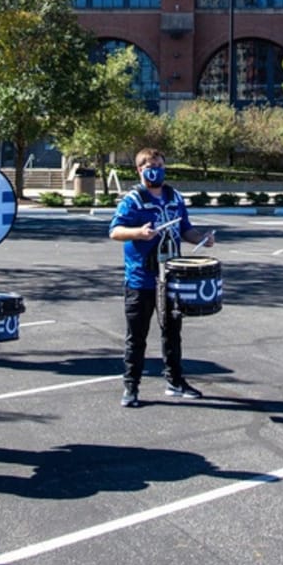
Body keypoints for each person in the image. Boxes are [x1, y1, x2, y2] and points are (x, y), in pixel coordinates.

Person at [109, 147, 215, 408]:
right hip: (140, 278)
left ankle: (175, 381)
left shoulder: (175, 197)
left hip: (171, 278)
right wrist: (138, 233)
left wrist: (202, 239)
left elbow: (185, 229)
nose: (154, 169)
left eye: (158, 164)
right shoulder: (132, 200)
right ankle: (131, 387)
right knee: (137, 335)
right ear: (140, 170)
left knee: (172, 332)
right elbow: (115, 231)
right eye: (148, 165)